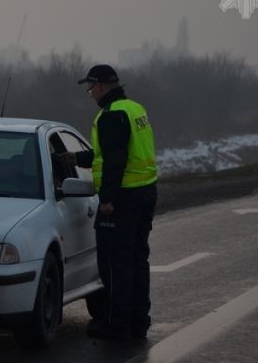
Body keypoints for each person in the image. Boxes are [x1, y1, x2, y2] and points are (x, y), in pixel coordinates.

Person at [65, 64, 158, 340]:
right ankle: (138, 321)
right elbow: (113, 151)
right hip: (145, 192)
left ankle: (117, 324)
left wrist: (106, 200)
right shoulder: (134, 108)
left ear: (101, 86)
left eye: (90, 88)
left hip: (122, 199)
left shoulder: (110, 115)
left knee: (115, 263)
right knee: (138, 259)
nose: (90, 93)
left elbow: (115, 161)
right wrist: (78, 159)